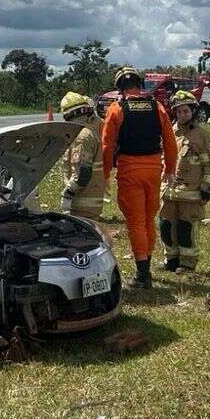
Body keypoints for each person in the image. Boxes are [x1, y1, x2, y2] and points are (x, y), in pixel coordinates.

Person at [101, 66, 176, 290]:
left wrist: (105, 174)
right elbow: (170, 141)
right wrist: (170, 169)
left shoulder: (116, 109)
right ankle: (147, 266)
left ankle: (143, 274)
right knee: (148, 219)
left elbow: (107, 146)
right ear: (139, 85)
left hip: (130, 169)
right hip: (154, 168)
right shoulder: (157, 106)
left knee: (135, 222)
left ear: (120, 88)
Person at [158, 91, 210, 274]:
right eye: (178, 112)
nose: (182, 115)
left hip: (191, 194)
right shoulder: (169, 133)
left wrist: (206, 189)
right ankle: (171, 260)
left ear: (193, 111)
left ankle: (187, 264)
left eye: (185, 111)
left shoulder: (202, 136)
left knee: (186, 229)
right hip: (169, 192)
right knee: (166, 227)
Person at [58, 91, 109, 239]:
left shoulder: (81, 136)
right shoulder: (88, 131)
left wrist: (67, 194)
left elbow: (82, 174)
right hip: (89, 200)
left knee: (83, 242)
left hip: (83, 202)